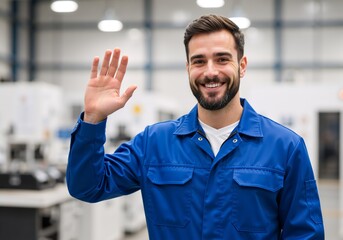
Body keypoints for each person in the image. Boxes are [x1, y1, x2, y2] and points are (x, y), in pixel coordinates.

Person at [66, 14, 324, 239]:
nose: (210, 72)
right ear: (188, 67)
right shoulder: (153, 143)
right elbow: (88, 186)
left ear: (241, 66)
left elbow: (304, 234)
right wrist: (93, 119)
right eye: (199, 61)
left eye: (222, 59)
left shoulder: (286, 147)